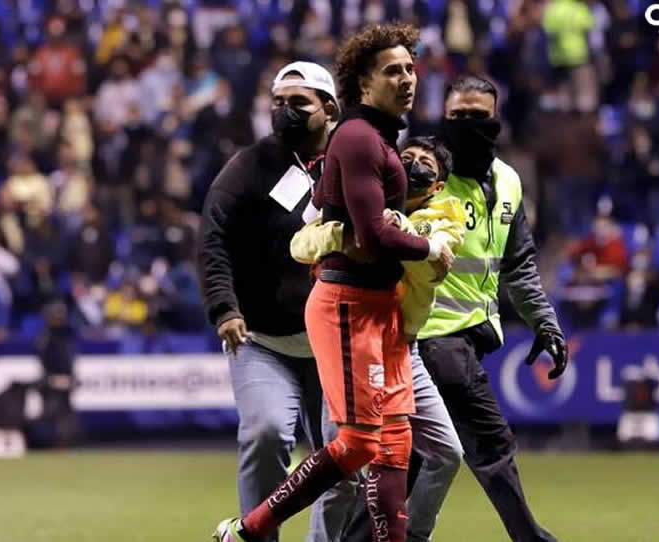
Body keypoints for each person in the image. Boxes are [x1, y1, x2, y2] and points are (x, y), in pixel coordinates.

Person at [214, 24, 454, 542]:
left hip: (383, 308)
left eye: (410, 69)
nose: (407, 79)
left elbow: (333, 219)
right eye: (393, 71)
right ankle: (248, 529)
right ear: (363, 84)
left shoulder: (378, 139)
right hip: (348, 306)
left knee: (394, 444)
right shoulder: (358, 138)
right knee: (358, 444)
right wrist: (429, 247)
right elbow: (371, 233)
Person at [291, 136, 465, 542]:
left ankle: (414, 536)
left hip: (403, 348)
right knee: (343, 471)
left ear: (438, 186)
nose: (414, 166)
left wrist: (395, 231)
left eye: (425, 164)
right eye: (408, 158)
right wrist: (345, 236)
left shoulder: (445, 216)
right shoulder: (361, 200)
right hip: (353, 340)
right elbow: (300, 243)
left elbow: (428, 269)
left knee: (446, 452)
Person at [419, 74, 567, 542]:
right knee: (491, 444)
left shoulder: (508, 182)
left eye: (478, 116)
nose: (468, 124)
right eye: (458, 115)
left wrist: (545, 322)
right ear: (443, 118)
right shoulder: (422, 177)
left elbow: (518, 265)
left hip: (473, 335)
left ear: (497, 119)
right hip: (431, 334)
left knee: (417, 458)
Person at [199, 61, 342, 541]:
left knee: (344, 454)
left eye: (298, 102)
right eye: (277, 102)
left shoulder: (352, 160)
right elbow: (213, 236)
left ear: (329, 108)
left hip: (335, 342)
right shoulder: (249, 165)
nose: (284, 111)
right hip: (263, 339)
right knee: (265, 433)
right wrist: (224, 307)